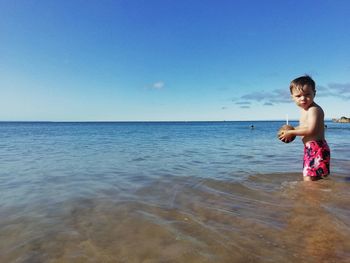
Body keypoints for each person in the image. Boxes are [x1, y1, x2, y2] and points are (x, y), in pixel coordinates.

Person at [278, 75, 330, 181]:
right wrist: (291, 130)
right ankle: (322, 195)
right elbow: (304, 126)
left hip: (317, 148)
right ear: (292, 97)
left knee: (309, 179)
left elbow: (311, 130)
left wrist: (292, 132)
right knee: (314, 178)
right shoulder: (304, 110)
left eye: (307, 94)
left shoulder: (313, 110)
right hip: (310, 148)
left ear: (314, 93)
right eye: (298, 96)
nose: (303, 98)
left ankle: (313, 196)